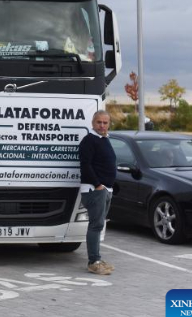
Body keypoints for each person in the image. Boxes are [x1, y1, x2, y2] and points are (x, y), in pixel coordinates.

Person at [78, 110, 117, 275]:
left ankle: (97, 259)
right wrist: (98, 185)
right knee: (96, 225)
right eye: (99, 122)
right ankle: (93, 262)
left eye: (105, 123)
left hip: (105, 189)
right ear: (93, 123)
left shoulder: (104, 140)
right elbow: (85, 165)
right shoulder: (89, 140)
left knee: (99, 225)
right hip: (95, 190)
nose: (102, 126)